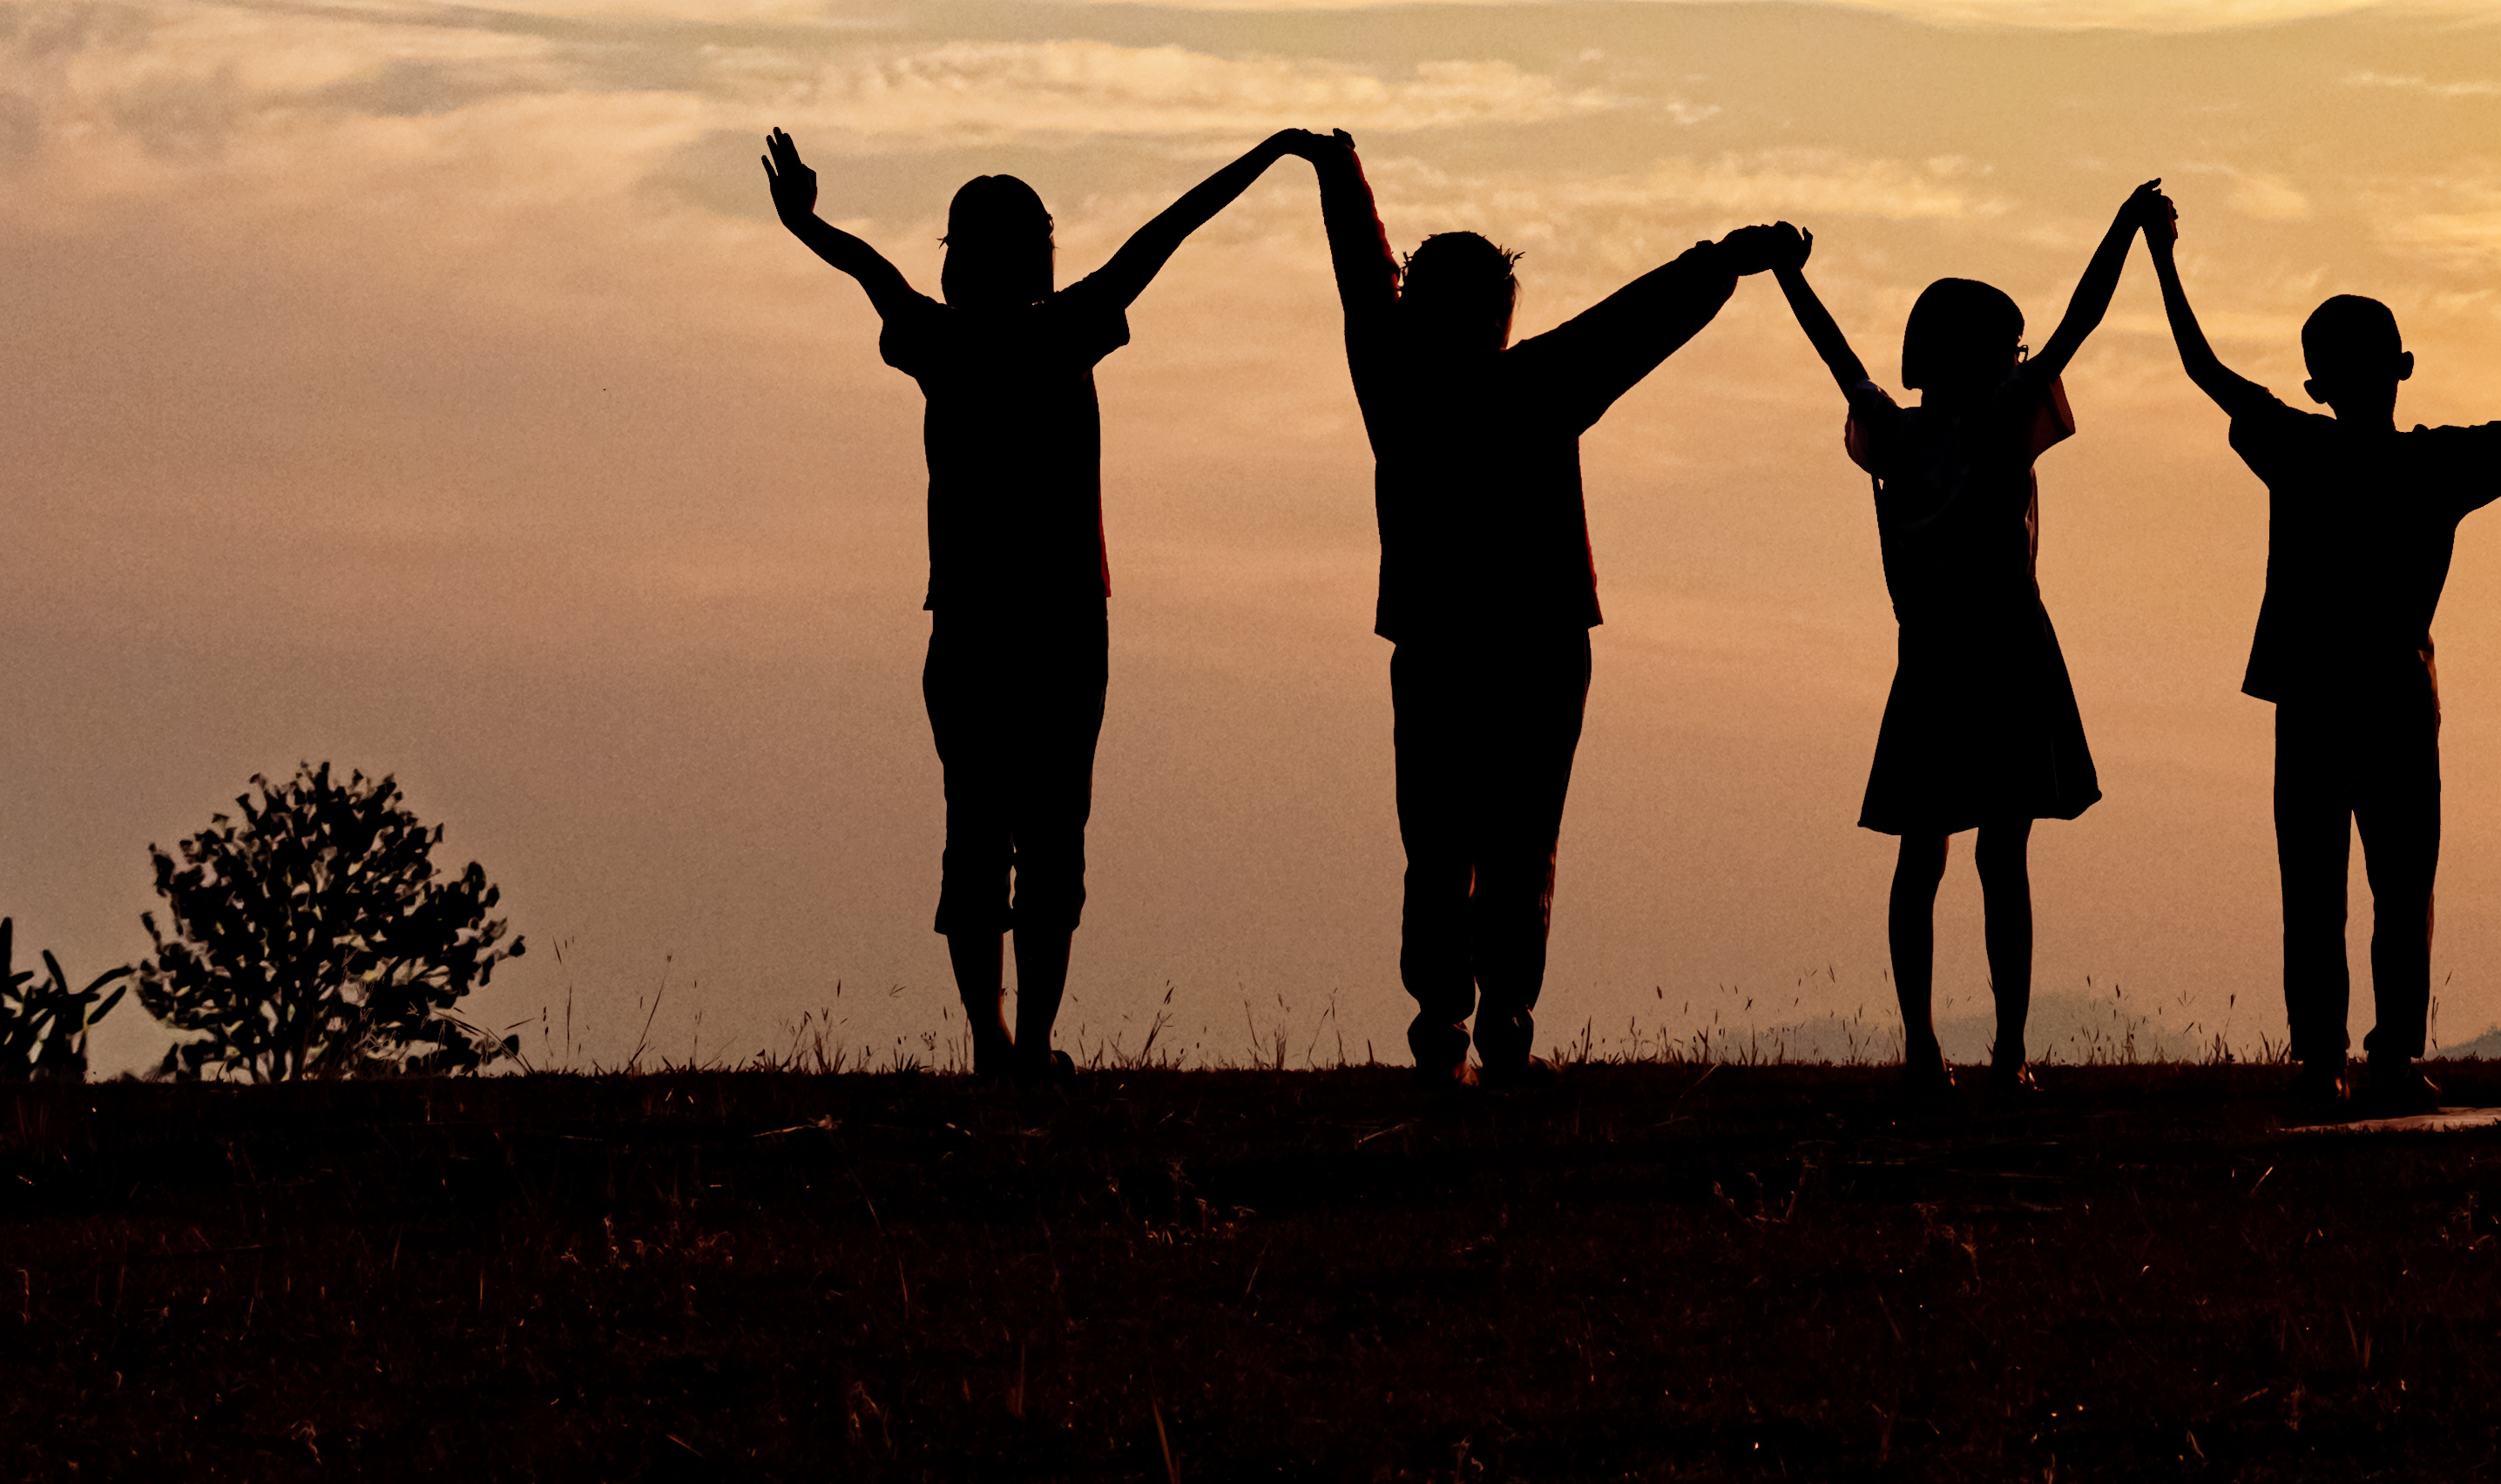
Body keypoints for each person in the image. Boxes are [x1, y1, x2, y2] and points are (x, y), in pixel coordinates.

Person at [763, 123, 1306, 1080]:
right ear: (1040, 251)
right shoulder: (1067, 330)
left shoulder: (938, 337)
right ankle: (1032, 1039)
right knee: (1052, 830)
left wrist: (806, 222)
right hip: (1061, 622)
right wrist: (1268, 154)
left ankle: (992, 1037)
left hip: (970, 623)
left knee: (976, 825)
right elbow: (1164, 233)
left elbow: (869, 268)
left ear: (958, 257)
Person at [2145, 207, 2501, 1111]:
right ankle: (2386, 1056)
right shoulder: (2434, 464)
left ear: (2317, 383)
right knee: (2399, 883)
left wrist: (2160, 256)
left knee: (2316, 883)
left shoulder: (2302, 447)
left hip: (2315, 691)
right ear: (2399, 367)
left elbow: (2203, 370)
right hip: (2394, 690)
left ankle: (2324, 1059)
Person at [1303, 130, 1803, 1087]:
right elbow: (1635, 320)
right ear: (1496, 310)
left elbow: (1363, 274)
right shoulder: (1534, 382)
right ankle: (1496, 1023)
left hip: (1445, 641)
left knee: (1442, 837)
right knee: (1517, 837)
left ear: (1421, 304)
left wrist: (1337, 171)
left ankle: (1449, 1026)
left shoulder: (1397, 381)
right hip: (1533, 642)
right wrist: (1721, 263)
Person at [1763, 186, 2166, 1091]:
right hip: (2009, 654)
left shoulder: (1898, 441)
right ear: (1992, 356)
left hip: (1929, 659)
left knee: (1922, 853)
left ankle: (1918, 1045)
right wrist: (2124, 230)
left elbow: (1835, 355)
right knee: (2002, 854)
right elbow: (2080, 320)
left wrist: (1789, 275)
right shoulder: (1997, 418)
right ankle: (2010, 1050)